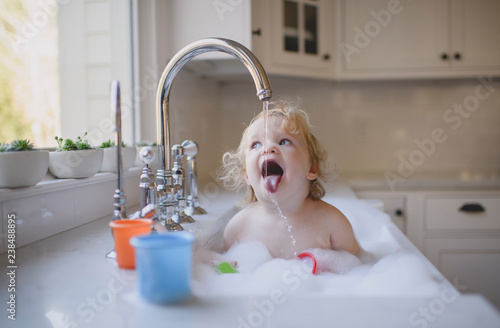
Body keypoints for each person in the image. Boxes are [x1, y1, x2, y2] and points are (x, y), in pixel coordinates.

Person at [219, 102, 361, 259]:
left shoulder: (333, 224)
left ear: (311, 169)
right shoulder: (238, 228)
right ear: (246, 175)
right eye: (256, 144)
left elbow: (359, 271)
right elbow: (230, 273)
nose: (268, 149)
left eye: (284, 141)